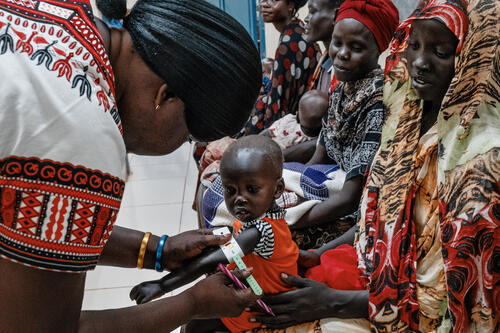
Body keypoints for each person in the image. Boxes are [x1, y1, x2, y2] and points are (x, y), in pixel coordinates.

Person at [0, 0, 264, 331]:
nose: (178, 146)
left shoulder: (67, 15)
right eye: (187, 138)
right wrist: (192, 303)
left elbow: (37, 221)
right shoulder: (81, 133)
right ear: (166, 97)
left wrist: (160, 250)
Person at [250, 1, 499, 332]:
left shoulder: (479, 165)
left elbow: (444, 299)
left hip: (407, 315)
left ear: (472, 61)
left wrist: (332, 300)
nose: (420, 63)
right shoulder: (406, 121)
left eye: (440, 52)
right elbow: (377, 220)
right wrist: (319, 254)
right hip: (366, 273)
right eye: (413, 46)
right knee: (244, 291)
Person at [130, 136, 299, 333]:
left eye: (252, 190)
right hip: (255, 290)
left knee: (194, 325)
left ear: (277, 189)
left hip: (259, 306)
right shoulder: (261, 218)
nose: (239, 199)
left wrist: (162, 285)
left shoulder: (260, 231)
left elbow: (212, 260)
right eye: (230, 190)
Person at [290, 0, 399, 249]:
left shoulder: (378, 101)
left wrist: (290, 221)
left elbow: (351, 199)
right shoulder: (344, 87)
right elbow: (321, 155)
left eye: (356, 47)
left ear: (378, 49)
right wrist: (292, 187)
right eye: (337, 43)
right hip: (331, 192)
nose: (342, 53)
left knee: (266, 237)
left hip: (356, 217)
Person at [245, 0, 321, 135]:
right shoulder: (298, 30)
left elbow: (277, 103)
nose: (264, 4)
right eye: (263, 0)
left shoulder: (289, 41)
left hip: (296, 127)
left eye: (273, 0)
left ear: (291, 5)